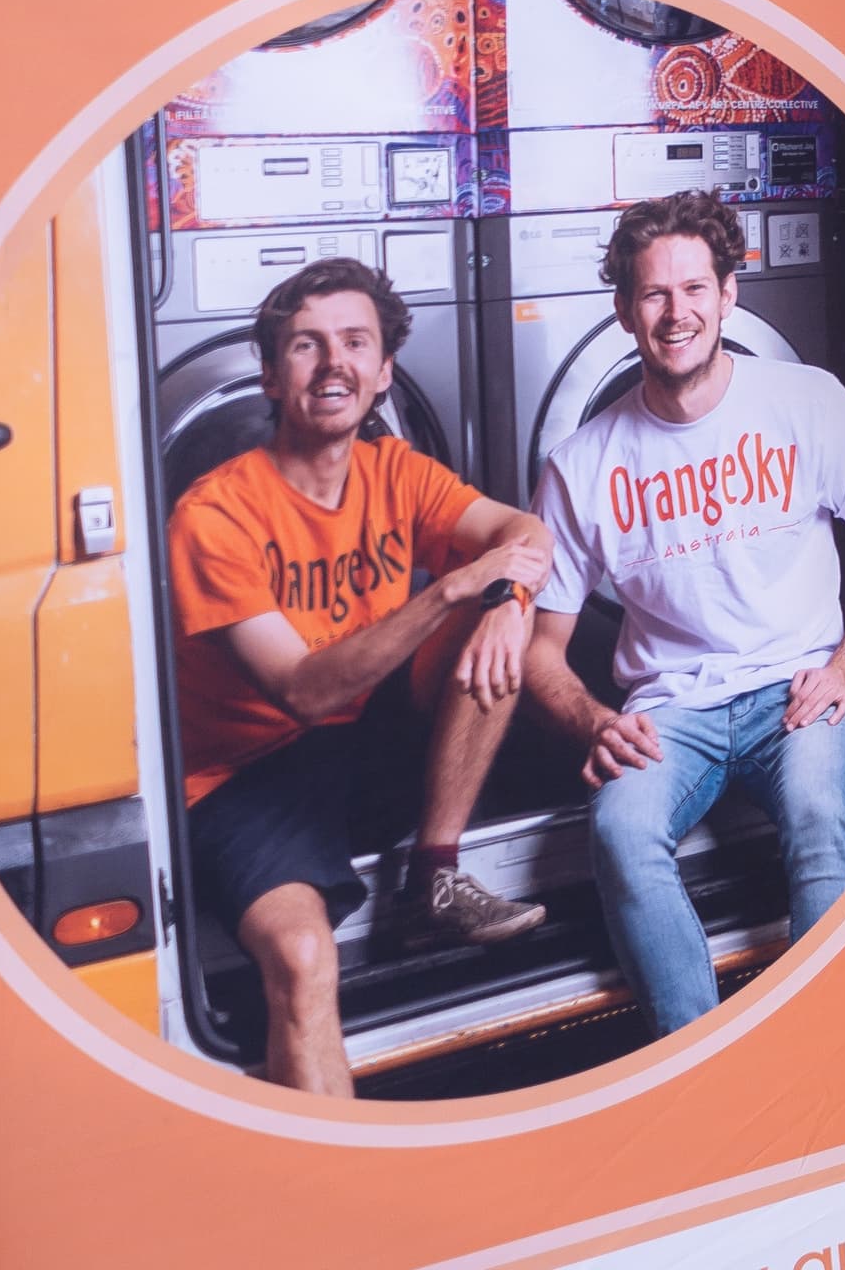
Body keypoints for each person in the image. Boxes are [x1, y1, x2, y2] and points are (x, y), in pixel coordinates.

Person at [520, 186, 845, 1032]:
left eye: (695, 289)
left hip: (797, 691)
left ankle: (821, 1055)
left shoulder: (803, 400)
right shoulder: (581, 463)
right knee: (623, 832)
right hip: (672, 710)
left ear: (728, 295)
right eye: (655, 294)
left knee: (822, 822)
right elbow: (537, 646)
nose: (677, 313)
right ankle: (697, 1064)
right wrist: (594, 720)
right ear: (626, 311)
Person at [165, 258, 554, 1094]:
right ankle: (332, 1204)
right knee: (305, 961)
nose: (333, 362)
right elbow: (302, 691)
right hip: (241, 776)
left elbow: (522, 527)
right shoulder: (214, 514)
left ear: (383, 375)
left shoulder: (396, 472)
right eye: (306, 346)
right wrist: (453, 588)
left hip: (365, 736)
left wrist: (510, 596)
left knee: (495, 626)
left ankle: (435, 877)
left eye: (354, 343)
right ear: (270, 375)